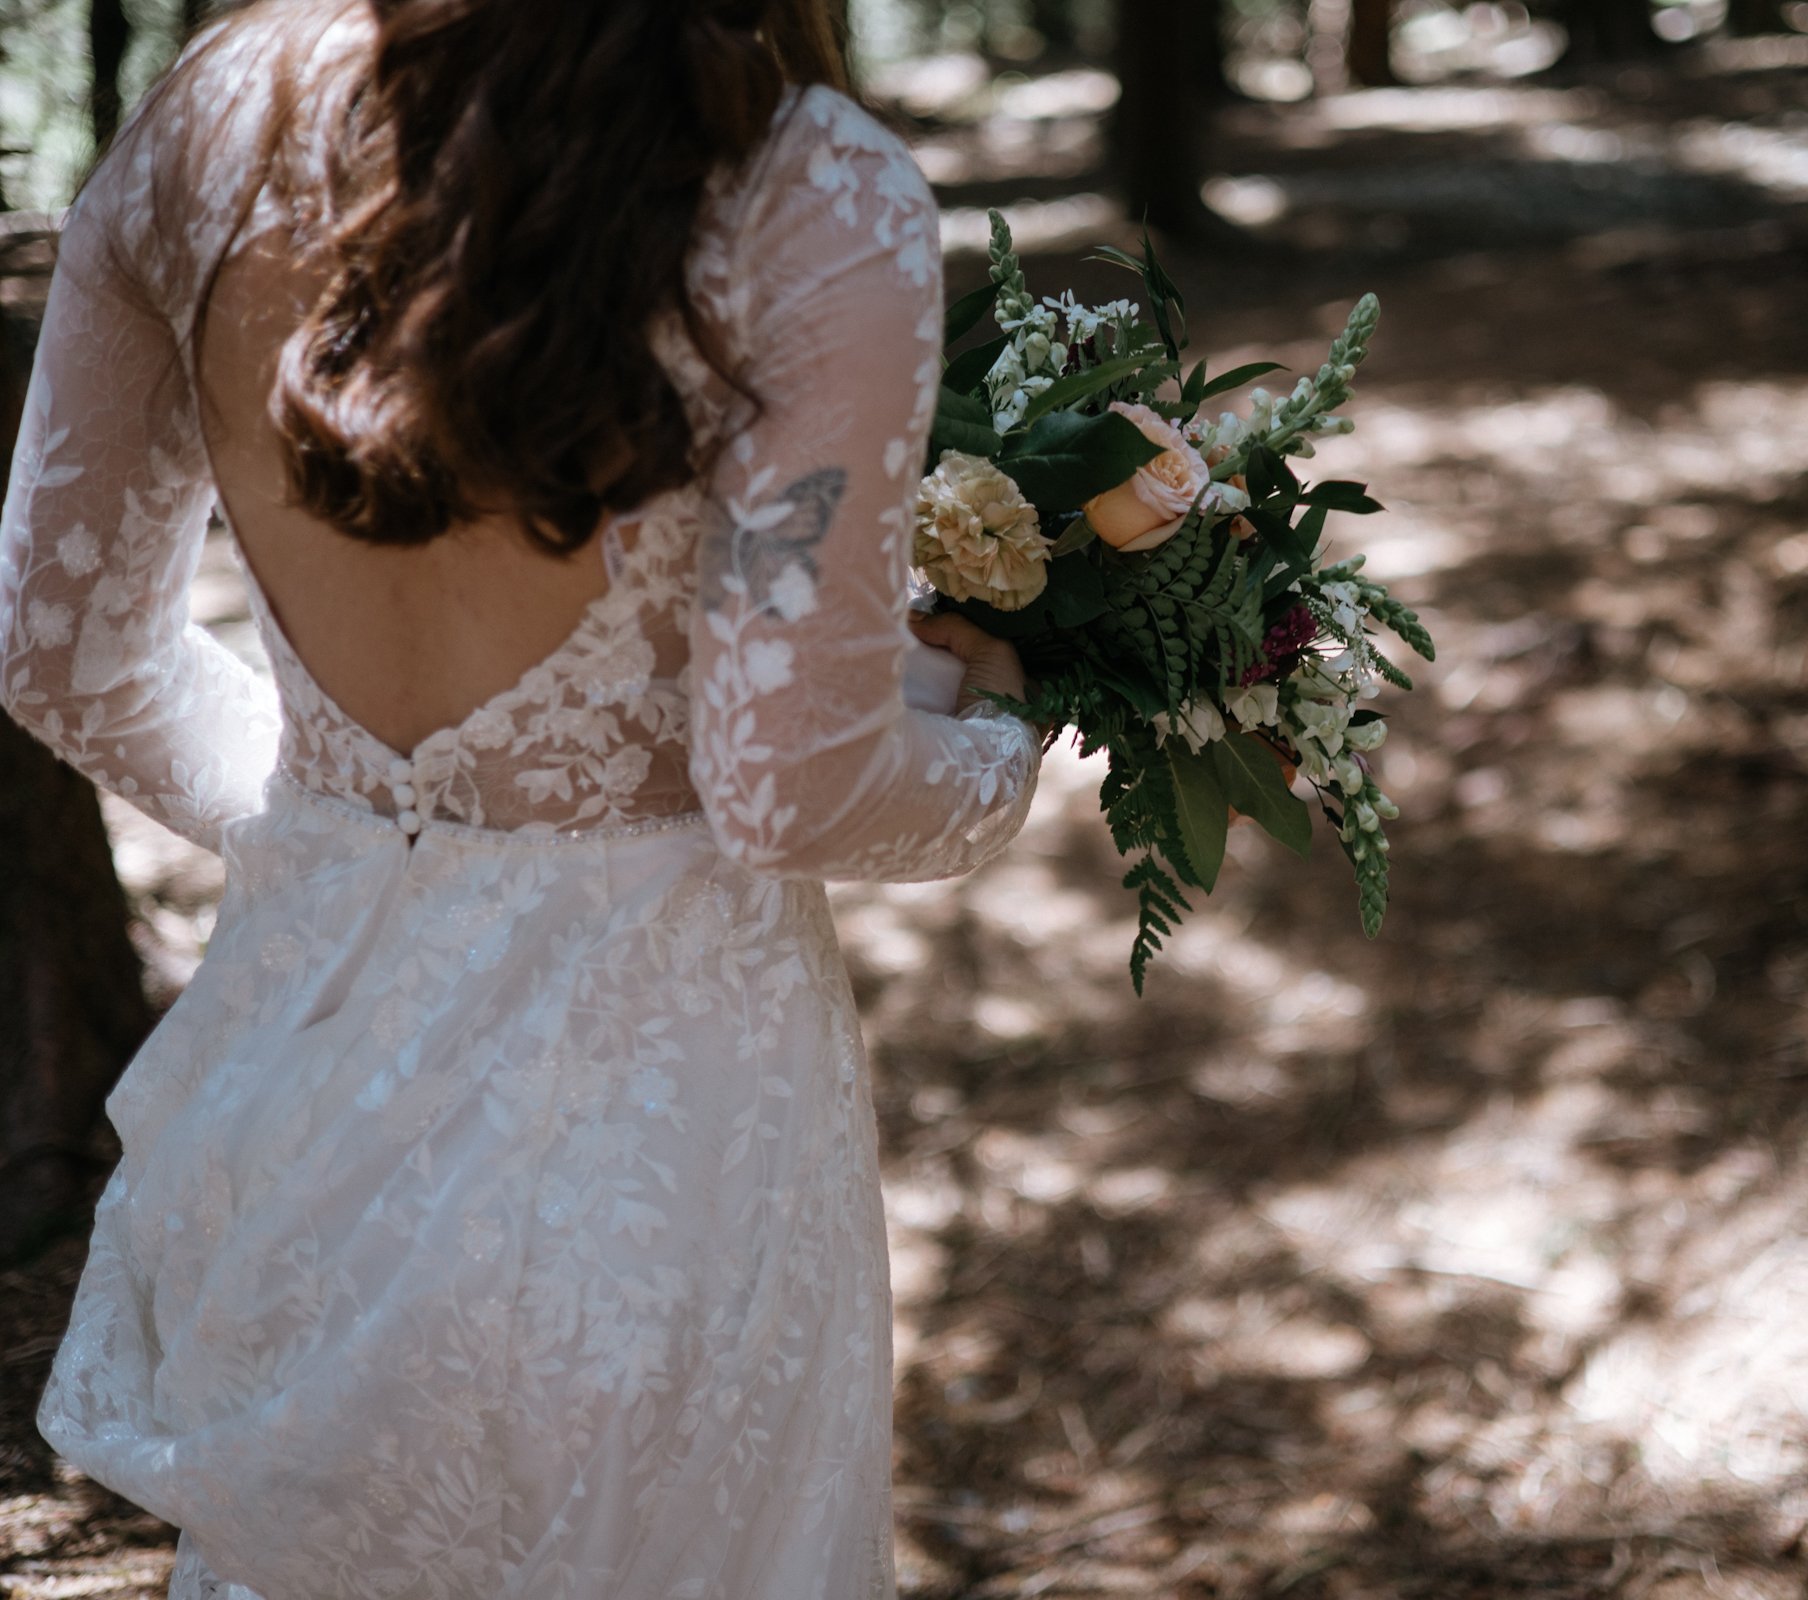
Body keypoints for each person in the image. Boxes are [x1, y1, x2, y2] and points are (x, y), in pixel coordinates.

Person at [0, 1, 1039, 1594]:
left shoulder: (205, 124)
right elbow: (790, 788)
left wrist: (345, 839)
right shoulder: (803, 188)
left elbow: (61, 656)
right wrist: (998, 759)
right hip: (670, 1108)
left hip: (312, 1059)